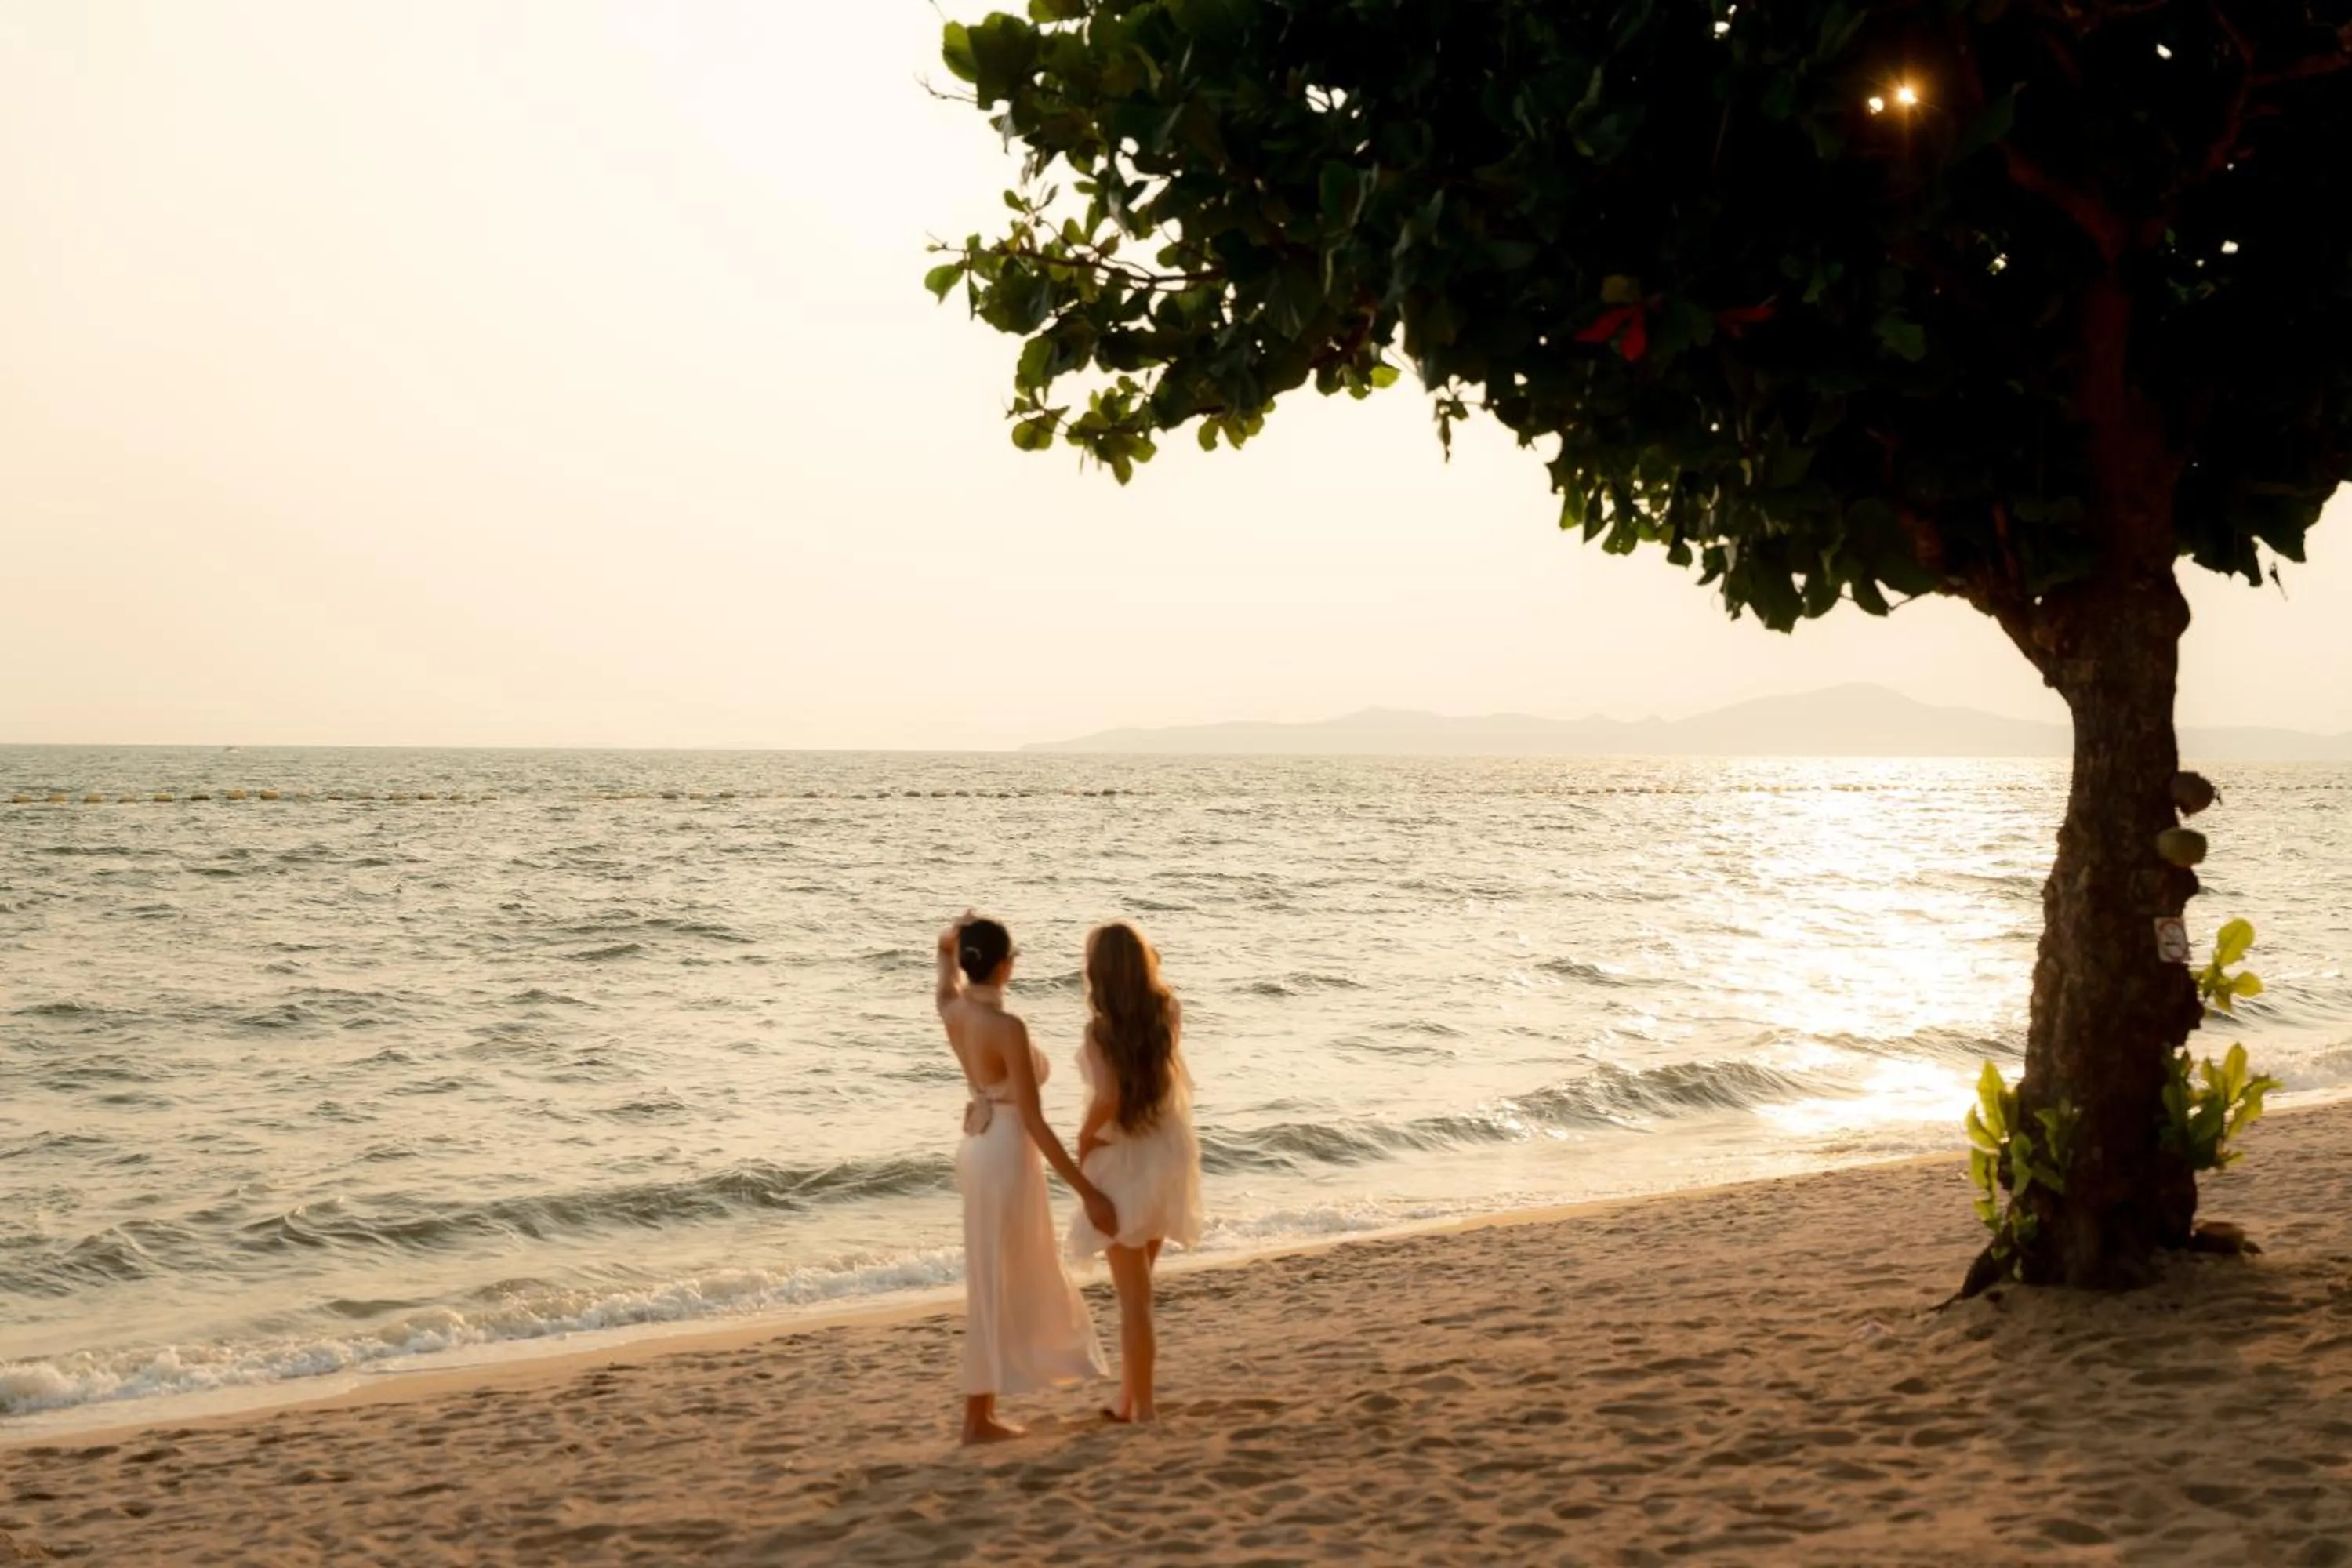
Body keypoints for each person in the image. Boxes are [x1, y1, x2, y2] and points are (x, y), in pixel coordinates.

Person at [936, 911, 1114, 1444]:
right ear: (1005, 967)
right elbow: (1035, 1122)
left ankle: (981, 1414)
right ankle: (977, 1420)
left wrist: (946, 946)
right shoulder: (1006, 1028)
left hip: (978, 1149)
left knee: (992, 1277)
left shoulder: (953, 1010)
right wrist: (1088, 1193)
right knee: (1000, 1279)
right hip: (1007, 1150)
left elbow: (944, 976)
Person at [1067, 920, 1203, 1425]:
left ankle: (1142, 1406)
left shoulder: (1100, 1032)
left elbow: (1110, 1096)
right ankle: (1130, 1398)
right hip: (1166, 1152)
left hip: (1124, 1158)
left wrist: (1084, 1138)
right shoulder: (1167, 1010)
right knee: (1140, 1292)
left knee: (1134, 1300)